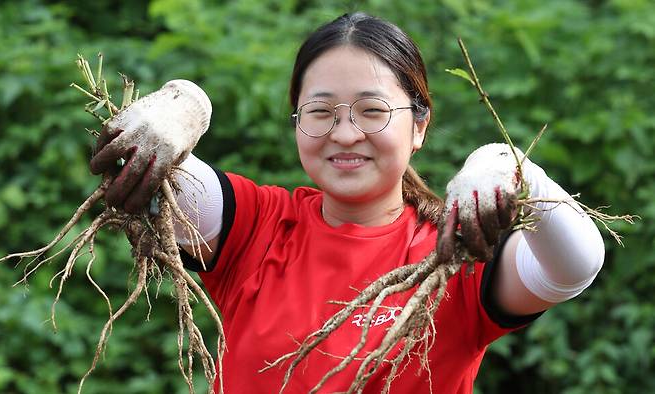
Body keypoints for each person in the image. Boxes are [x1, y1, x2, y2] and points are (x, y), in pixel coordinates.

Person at [89, 12, 605, 394]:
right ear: (296, 125)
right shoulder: (257, 224)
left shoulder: (459, 248)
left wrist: (512, 166)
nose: (345, 133)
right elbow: (146, 158)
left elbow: (574, 267)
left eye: (371, 110)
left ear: (419, 125)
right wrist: (185, 106)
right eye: (319, 112)